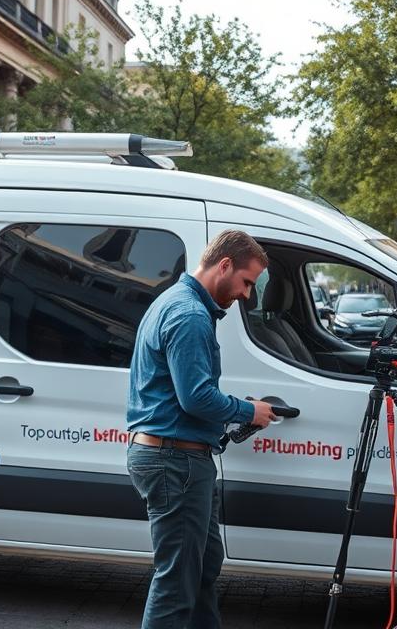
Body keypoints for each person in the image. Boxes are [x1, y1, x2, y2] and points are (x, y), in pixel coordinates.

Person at [126, 229, 279, 628]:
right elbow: (195, 398)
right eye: (247, 282)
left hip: (177, 458)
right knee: (178, 581)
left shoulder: (178, 303)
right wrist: (249, 411)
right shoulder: (189, 315)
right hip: (175, 461)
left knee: (204, 566)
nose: (247, 295)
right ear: (224, 265)